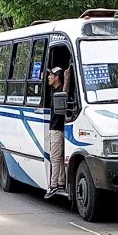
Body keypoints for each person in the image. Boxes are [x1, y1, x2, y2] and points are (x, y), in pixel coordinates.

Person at [44, 66, 70, 198]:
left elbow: (63, 95)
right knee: (59, 157)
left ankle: (53, 185)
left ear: (57, 78)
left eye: (51, 75)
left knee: (55, 157)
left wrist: (65, 81)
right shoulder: (53, 90)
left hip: (57, 129)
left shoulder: (59, 92)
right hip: (55, 128)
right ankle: (60, 182)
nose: (48, 77)